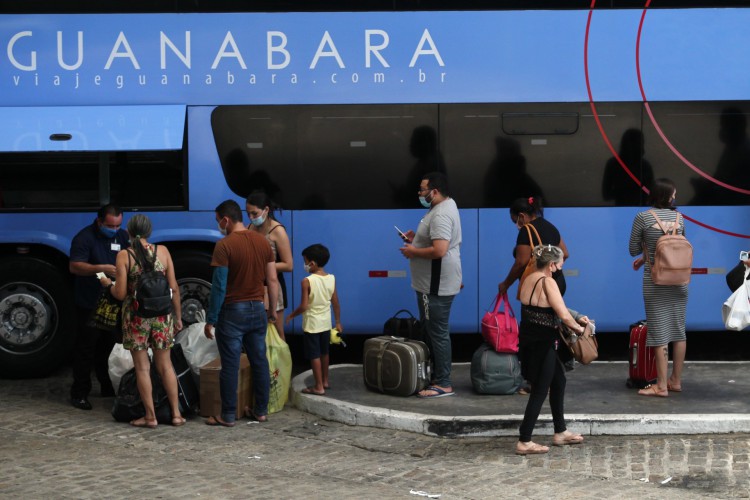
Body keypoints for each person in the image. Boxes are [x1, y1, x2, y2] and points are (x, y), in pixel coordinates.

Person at [100, 214, 184, 428]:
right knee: (166, 366)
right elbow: (174, 287)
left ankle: (150, 417)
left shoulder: (124, 256)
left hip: (137, 317)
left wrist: (106, 283)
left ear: (128, 232)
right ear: (149, 231)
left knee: (142, 368)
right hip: (163, 316)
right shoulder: (163, 251)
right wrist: (178, 317)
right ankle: (176, 414)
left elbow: (119, 294)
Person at [203, 200, 279, 427]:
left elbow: (219, 286)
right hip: (258, 308)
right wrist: (272, 310)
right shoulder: (263, 242)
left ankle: (227, 415)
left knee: (230, 364)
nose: (219, 225)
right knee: (259, 361)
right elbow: (272, 279)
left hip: (233, 311)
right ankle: (261, 411)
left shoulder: (224, 245)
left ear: (226, 220)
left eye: (218, 221)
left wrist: (211, 319)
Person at [516, 245, 588, 455]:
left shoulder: (528, 277)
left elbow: (540, 309)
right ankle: (524, 440)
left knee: (559, 380)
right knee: (540, 389)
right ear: (551, 264)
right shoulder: (548, 281)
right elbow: (562, 314)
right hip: (543, 342)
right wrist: (581, 328)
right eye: (559, 265)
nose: (560, 269)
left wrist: (573, 319)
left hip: (531, 339)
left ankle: (560, 431)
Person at [399, 171, 462, 398]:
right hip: (432, 283)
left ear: (434, 192)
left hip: (434, 286)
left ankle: (443, 383)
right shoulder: (443, 206)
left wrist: (413, 251)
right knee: (433, 330)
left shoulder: (441, 214)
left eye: (422, 190)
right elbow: (438, 240)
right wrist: (416, 238)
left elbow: (440, 250)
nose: (420, 193)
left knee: (437, 332)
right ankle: (435, 375)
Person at [629, 178, 688, 397]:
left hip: (655, 282)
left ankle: (661, 385)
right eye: (673, 194)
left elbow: (632, 248)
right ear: (668, 196)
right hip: (680, 280)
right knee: (678, 330)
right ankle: (676, 381)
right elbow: (676, 249)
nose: (675, 197)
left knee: (658, 331)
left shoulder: (643, 217)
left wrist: (646, 256)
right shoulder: (679, 218)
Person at [68, 204, 130, 410]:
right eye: (110, 225)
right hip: (90, 302)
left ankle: (107, 385)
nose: (114, 229)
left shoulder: (122, 236)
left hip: (114, 301)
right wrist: (100, 269)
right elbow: (75, 266)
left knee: (110, 346)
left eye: (118, 225)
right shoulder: (84, 238)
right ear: (99, 221)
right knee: (86, 347)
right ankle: (79, 392)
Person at [285, 244, 342, 396]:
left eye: (305, 261)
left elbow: (304, 306)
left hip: (312, 325)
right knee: (324, 353)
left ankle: (318, 387)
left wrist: (291, 315)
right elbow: (335, 302)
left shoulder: (307, 281)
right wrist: (337, 322)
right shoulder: (331, 278)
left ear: (313, 263)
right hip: (325, 323)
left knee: (314, 355)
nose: (304, 265)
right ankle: (325, 381)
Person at [497, 196, 569, 299]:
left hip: (539, 286)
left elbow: (521, 263)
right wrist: (551, 268)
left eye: (515, 221)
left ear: (522, 216)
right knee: (552, 314)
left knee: (534, 315)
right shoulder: (551, 227)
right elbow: (565, 254)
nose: (517, 225)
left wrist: (505, 284)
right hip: (558, 283)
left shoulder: (526, 230)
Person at [246, 190, 293, 341]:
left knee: (277, 333)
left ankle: (282, 365)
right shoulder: (249, 228)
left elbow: (288, 265)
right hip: (254, 286)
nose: (251, 218)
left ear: (266, 210)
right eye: (248, 214)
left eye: (254, 213)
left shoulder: (277, 231)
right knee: (258, 334)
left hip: (274, 286)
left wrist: (264, 266)